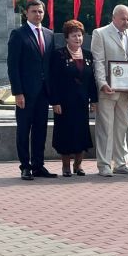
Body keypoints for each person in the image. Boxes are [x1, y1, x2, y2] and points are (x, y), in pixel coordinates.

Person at [7, 0, 57, 181]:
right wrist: (18, 92)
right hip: (26, 93)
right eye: (34, 11)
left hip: (44, 92)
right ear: (26, 13)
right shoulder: (18, 34)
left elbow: (51, 65)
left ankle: (38, 165)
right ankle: (25, 166)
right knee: (23, 130)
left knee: (40, 130)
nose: (38, 14)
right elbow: (13, 66)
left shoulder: (49, 35)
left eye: (41, 11)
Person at [91, 4, 128, 177]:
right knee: (105, 128)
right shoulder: (100, 33)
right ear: (114, 17)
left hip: (127, 91)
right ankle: (104, 165)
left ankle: (121, 163)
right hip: (108, 89)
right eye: (123, 18)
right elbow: (98, 61)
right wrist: (101, 83)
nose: (126, 22)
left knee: (122, 128)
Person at [50, 20, 98, 177]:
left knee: (81, 133)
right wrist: (55, 101)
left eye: (80, 35)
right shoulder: (59, 55)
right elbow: (54, 81)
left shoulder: (89, 55)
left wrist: (94, 100)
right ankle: (66, 166)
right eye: (73, 35)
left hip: (82, 102)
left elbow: (92, 80)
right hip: (64, 103)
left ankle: (78, 165)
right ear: (66, 37)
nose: (77, 38)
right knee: (65, 133)